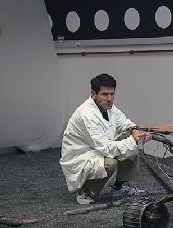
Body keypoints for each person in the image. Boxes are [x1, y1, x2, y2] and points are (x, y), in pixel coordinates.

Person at [59, 73, 152, 205]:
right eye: (104, 94)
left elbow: (123, 122)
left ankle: (119, 187)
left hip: (97, 148)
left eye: (112, 94)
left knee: (130, 137)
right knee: (110, 163)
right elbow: (106, 149)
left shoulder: (108, 106)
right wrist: (135, 140)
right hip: (81, 157)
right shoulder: (87, 114)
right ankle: (84, 191)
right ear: (93, 94)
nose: (109, 98)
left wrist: (134, 130)